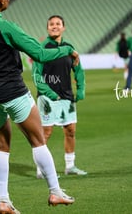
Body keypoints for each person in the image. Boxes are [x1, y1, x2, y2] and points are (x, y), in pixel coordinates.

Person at [0, 0, 76, 214]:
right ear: (2, 0)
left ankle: (3, 201)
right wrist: (68, 49)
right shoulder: (7, 27)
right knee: (38, 140)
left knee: (1, 146)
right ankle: (55, 192)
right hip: (13, 91)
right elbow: (39, 54)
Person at [32, 15, 87, 180]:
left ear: (64, 27)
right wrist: (50, 93)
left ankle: (70, 166)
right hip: (47, 98)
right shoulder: (41, 48)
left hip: (66, 97)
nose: (54, 26)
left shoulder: (70, 48)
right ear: (47, 28)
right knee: (45, 133)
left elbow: (78, 70)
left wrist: (81, 89)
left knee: (70, 130)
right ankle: (40, 169)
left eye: (58, 24)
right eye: (51, 24)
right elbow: (36, 76)